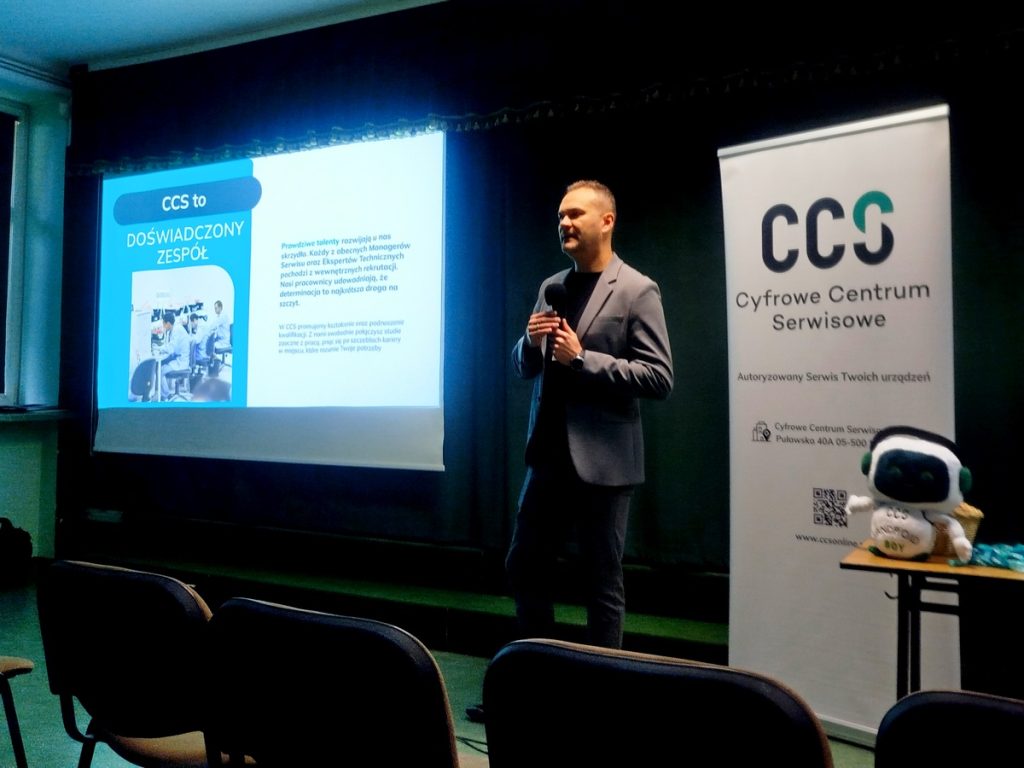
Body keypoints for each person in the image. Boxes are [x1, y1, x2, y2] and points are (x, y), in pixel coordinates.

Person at [506, 179, 673, 650]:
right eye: (560, 215)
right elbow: (523, 366)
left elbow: (659, 377)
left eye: (575, 214)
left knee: (600, 583)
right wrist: (529, 343)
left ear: (607, 221)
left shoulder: (637, 290)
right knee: (525, 567)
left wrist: (582, 359)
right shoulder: (552, 287)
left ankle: (602, 684)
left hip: (604, 464)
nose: (564, 222)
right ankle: (538, 671)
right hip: (547, 458)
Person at [153, 311, 192, 400]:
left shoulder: (176, 330)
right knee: (162, 365)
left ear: (168, 323)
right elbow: (171, 346)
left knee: (160, 370)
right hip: (180, 358)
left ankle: (165, 396)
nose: (163, 326)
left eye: (163, 323)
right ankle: (165, 394)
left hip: (181, 362)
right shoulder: (175, 328)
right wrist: (162, 348)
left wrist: (159, 348)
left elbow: (171, 349)